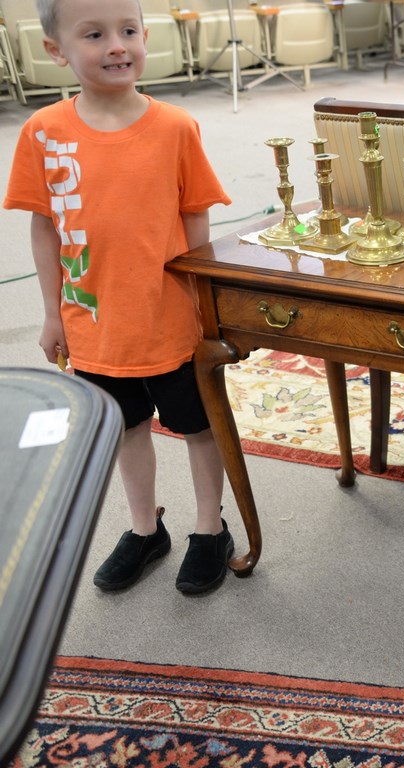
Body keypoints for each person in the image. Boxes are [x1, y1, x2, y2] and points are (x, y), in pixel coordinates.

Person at [4, 0, 234, 594]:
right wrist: (51, 313)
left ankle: (209, 528)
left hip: (171, 318)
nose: (116, 45)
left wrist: (206, 305)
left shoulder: (176, 127)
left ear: (144, 36)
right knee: (126, 426)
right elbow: (45, 228)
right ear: (55, 50)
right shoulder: (43, 132)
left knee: (199, 426)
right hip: (93, 321)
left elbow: (196, 216)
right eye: (94, 34)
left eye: (128, 30)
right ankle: (144, 527)